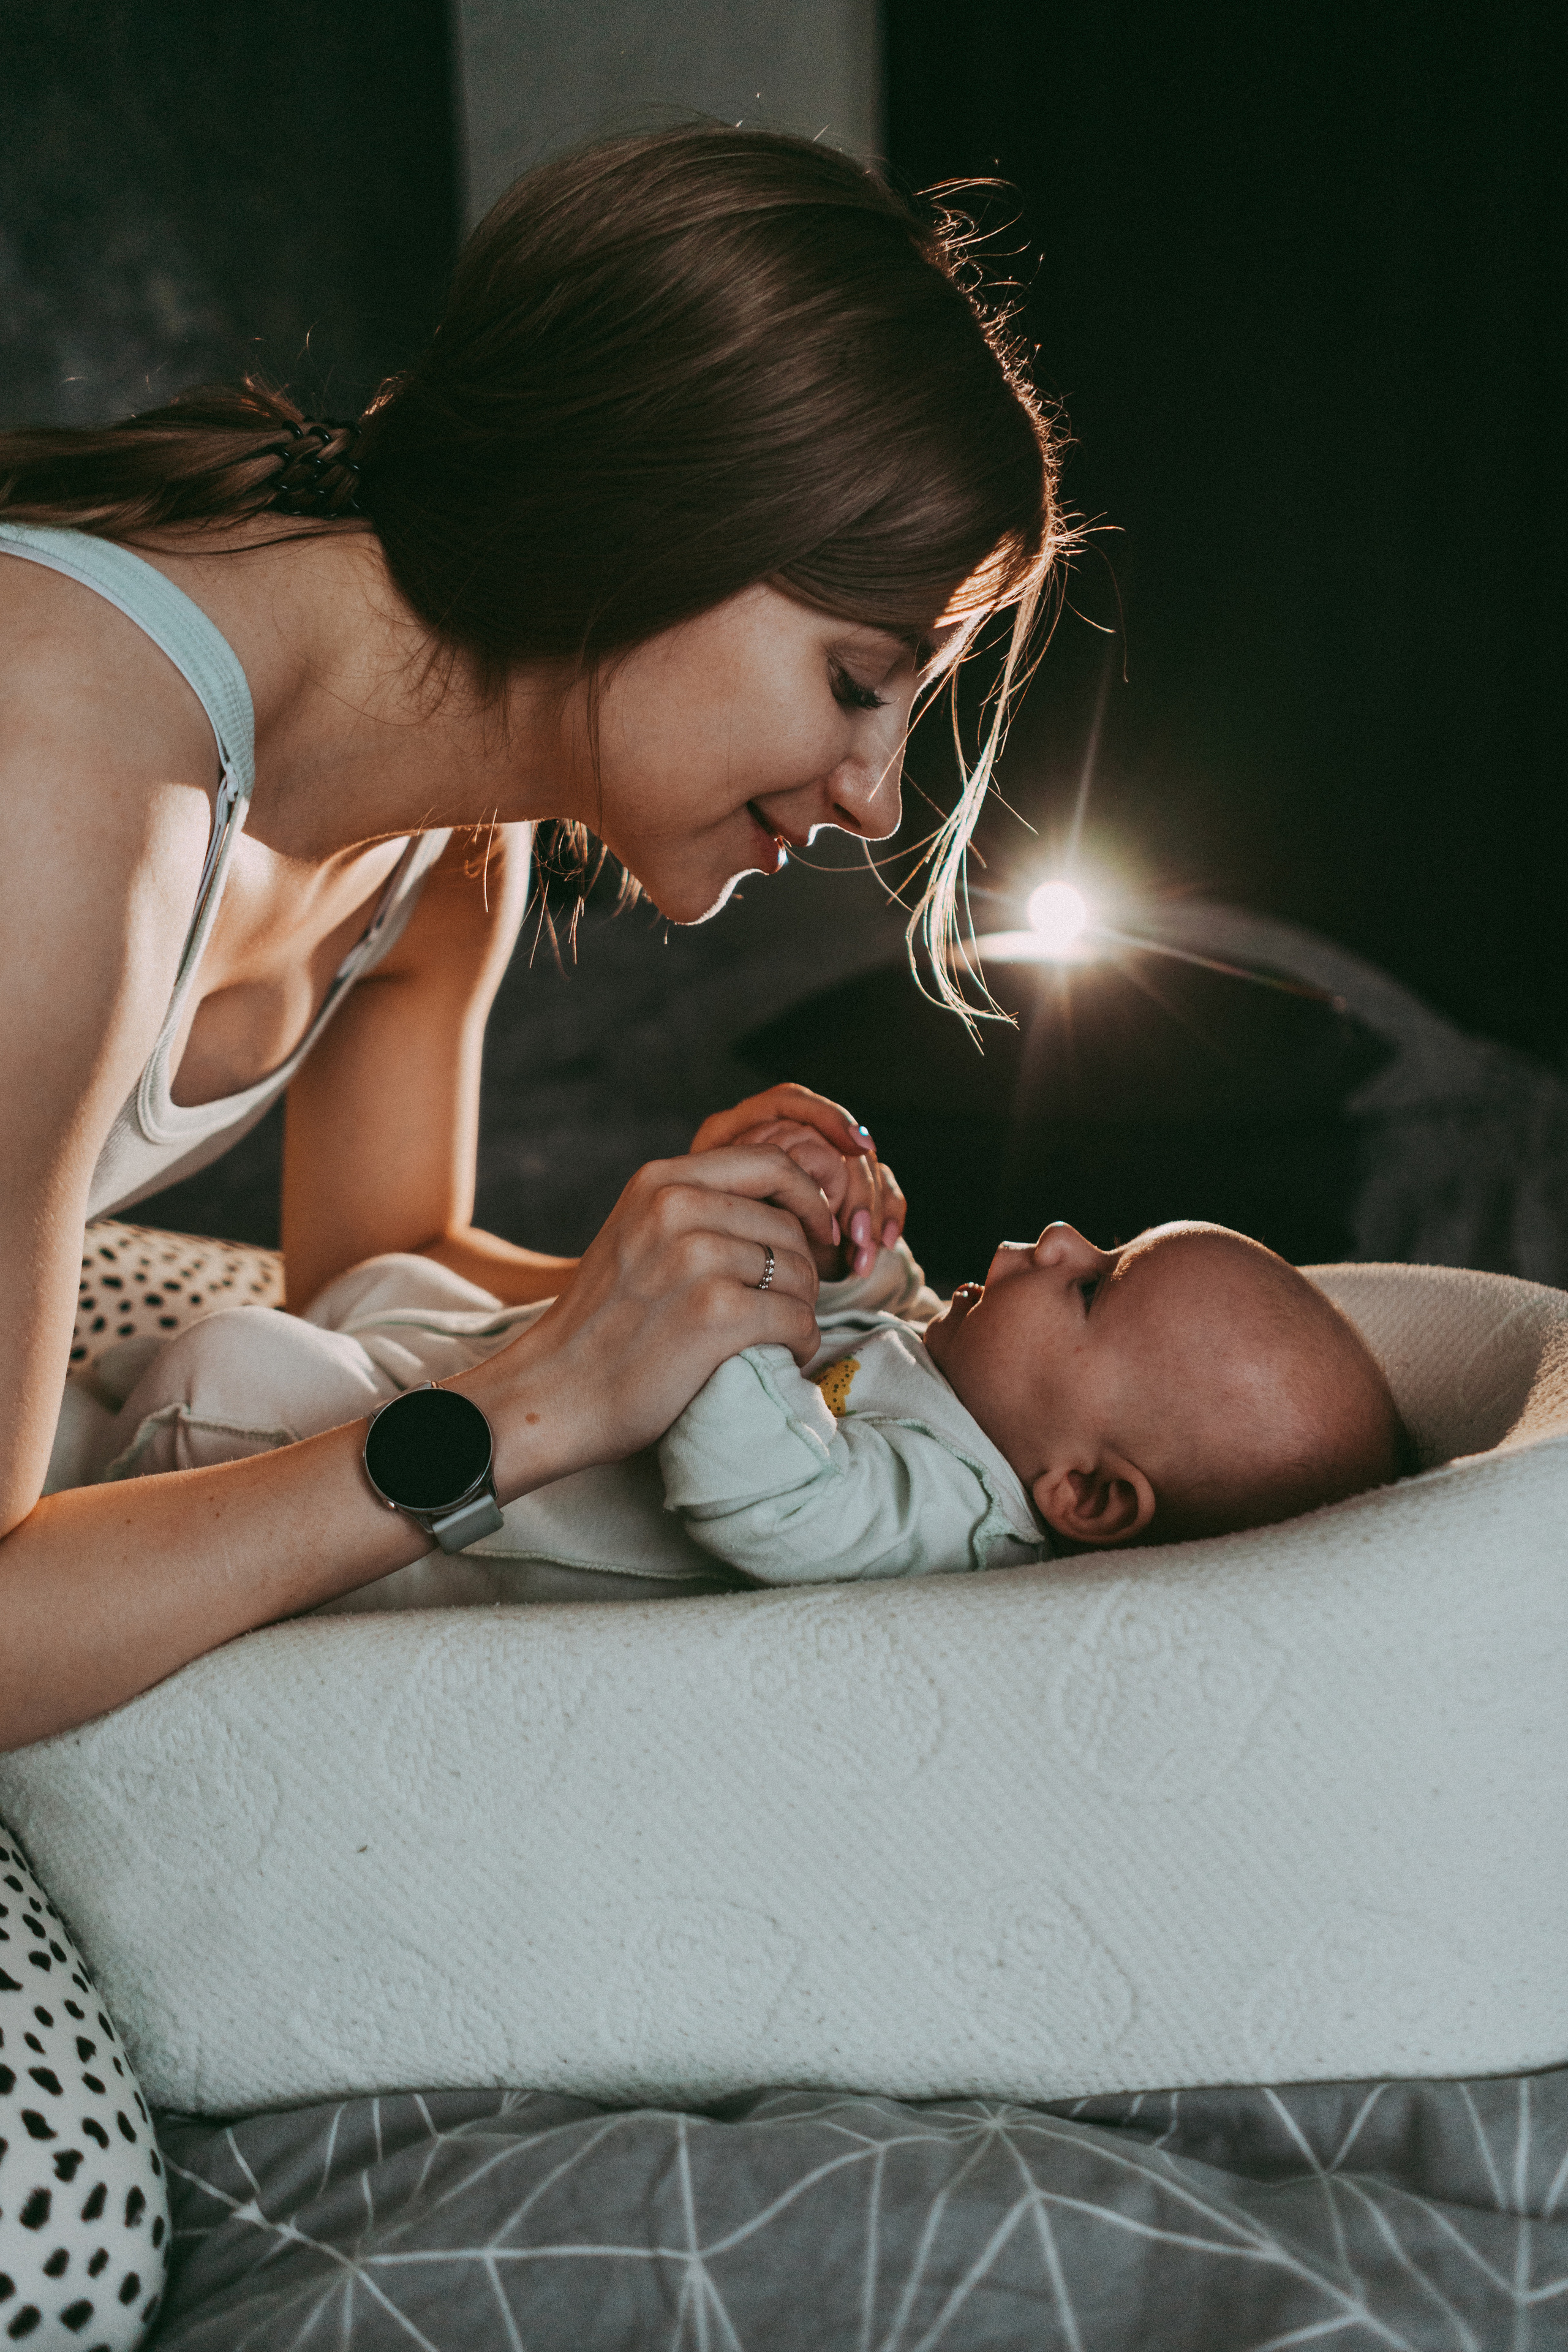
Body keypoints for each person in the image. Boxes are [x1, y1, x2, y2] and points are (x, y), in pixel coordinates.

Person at [0, 127, 1066, 1751]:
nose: (875, 798)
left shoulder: (446, 865)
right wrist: (519, 1414)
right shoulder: (59, 782)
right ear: (647, 508)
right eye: (859, 680)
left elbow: (373, 1259)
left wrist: (739, 1280)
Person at [59, 1109, 1407, 1588]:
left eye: (1094, 1287)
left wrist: (740, 1295)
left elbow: (775, 1490)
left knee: (226, 1370)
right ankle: (75, 1409)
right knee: (388, 1276)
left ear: (1086, 1497)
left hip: (425, 1509)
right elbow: (875, 1327)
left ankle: (64, 1473)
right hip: (470, 1371)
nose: (1056, 1237)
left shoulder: (948, 1521)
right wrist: (838, 1231)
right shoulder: (964, 1388)